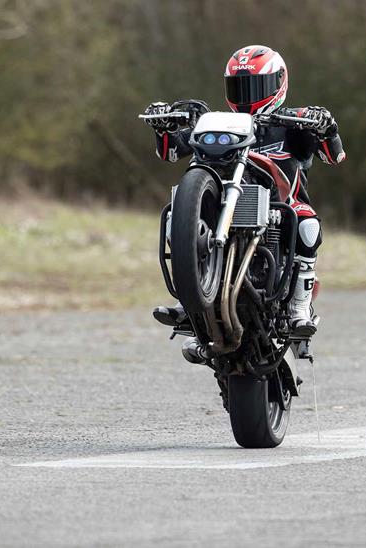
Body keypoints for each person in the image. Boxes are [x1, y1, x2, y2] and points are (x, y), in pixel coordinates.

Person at [146, 44, 345, 353]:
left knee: (307, 223)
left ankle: (298, 307)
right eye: (239, 86)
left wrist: (325, 126)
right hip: (224, 205)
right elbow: (172, 151)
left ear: (278, 82)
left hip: (281, 206)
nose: (247, 95)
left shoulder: (292, 125)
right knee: (177, 217)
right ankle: (190, 297)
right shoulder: (219, 123)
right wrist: (164, 126)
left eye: (255, 86)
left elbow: (334, 155)